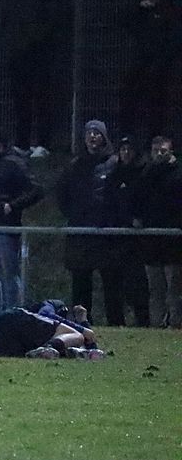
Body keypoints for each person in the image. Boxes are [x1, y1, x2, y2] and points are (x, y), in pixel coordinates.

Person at [57, 120, 125, 325]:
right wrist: (74, 214)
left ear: (104, 137)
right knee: (80, 283)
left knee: (111, 281)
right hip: (81, 232)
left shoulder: (115, 163)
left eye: (97, 133)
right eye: (89, 133)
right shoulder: (75, 165)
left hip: (107, 233)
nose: (93, 136)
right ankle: (80, 324)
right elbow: (61, 194)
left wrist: (113, 217)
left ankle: (116, 322)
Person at [0, 130, 44, 320]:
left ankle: (13, 315)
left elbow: (36, 190)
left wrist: (12, 206)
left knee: (9, 274)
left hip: (6, 228)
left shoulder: (14, 164)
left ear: (0, 142)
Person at [0, 0, 69, 157]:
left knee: (42, 99)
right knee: (21, 101)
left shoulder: (46, 2)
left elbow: (50, 25)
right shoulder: (15, 1)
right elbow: (7, 24)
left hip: (40, 55)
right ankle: (22, 143)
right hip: (20, 56)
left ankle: (43, 143)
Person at [130, 135, 182, 328]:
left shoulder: (178, 174)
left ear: (171, 152)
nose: (159, 154)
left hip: (174, 239)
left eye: (163, 151)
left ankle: (175, 324)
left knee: (174, 288)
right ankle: (156, 325)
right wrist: (136, 217)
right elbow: (136, 199)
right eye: (156, 151)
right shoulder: (146, 174)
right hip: (151, 239)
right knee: (155, 288)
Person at [118, 0, 182, 140]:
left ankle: (156, 137)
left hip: (162, 67)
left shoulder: (169, 10)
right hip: (140, 63)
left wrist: (163, 58)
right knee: (130, 96)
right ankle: (127, 137)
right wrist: (140, 10)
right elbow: (125, 23)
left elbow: (175, 36)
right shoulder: (137, 11)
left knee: (158, 102)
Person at [107, 136, 150, 326]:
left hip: (138, 240)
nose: (126, 153)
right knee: (116, 282)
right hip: (117, 237)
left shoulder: (143, 174)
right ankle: (116, 321)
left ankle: (143, 320)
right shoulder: (114, 175)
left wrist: (139, 218)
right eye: (122, 149)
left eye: (129, 149)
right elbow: (109, 203)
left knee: (139, 283)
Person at [0, 302, 104, 360]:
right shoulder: (55, 305)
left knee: (71, 343)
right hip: (15, 318)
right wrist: (82, 329)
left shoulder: (58, 339)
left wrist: (83, 321)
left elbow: (94, 351)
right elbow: (45, 314)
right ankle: (48, 347)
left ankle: (47, 349)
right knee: (77, 336)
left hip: (8, 344)